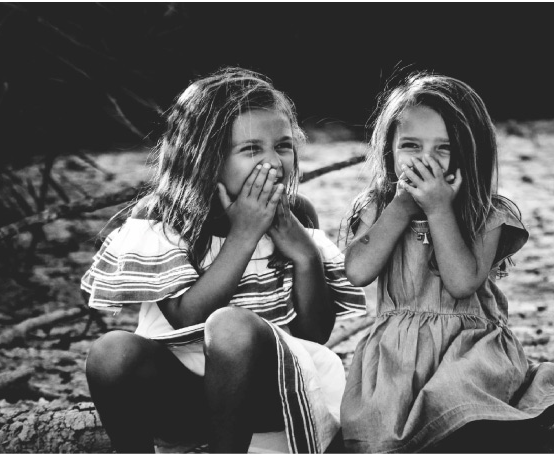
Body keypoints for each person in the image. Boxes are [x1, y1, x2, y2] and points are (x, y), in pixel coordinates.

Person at [81, 67, 366, 453]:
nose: (273, 162)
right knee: (110, 351)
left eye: (283, 146)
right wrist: (244, 234)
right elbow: (185, 317)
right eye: (251, 150)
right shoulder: (162, 216)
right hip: (181, 395)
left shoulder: (295, 213)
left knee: (233, 327)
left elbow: (313, 334)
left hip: (271, 395)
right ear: (206, 157)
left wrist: (303, 254)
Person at [339, 71, 554, 452]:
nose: (425, 161)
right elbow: (358, 271)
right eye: (411, 147)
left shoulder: (487, 214)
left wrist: (438, 209)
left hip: (468, 350)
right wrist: (401, 207)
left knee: (457, 398)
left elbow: (462, 282)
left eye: (443, 149)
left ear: (471, 152)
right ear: (390, 150)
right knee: (374, 429)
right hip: (396, 357)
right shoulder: (378, 207)